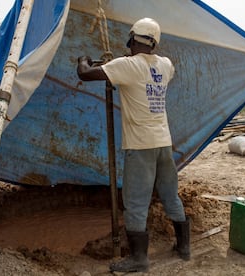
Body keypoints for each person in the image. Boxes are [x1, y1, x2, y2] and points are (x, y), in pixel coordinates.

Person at [77, 17, 190, 273]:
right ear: (154, 43)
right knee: (170, 194)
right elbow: (141, 70)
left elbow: (84, 74)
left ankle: (139, 258)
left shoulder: (127, 66)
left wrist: (82, 59)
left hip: (140, 146)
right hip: (163, 142)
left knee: (135, 202)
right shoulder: (165, 65)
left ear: (131, 38)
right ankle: (184, 247)